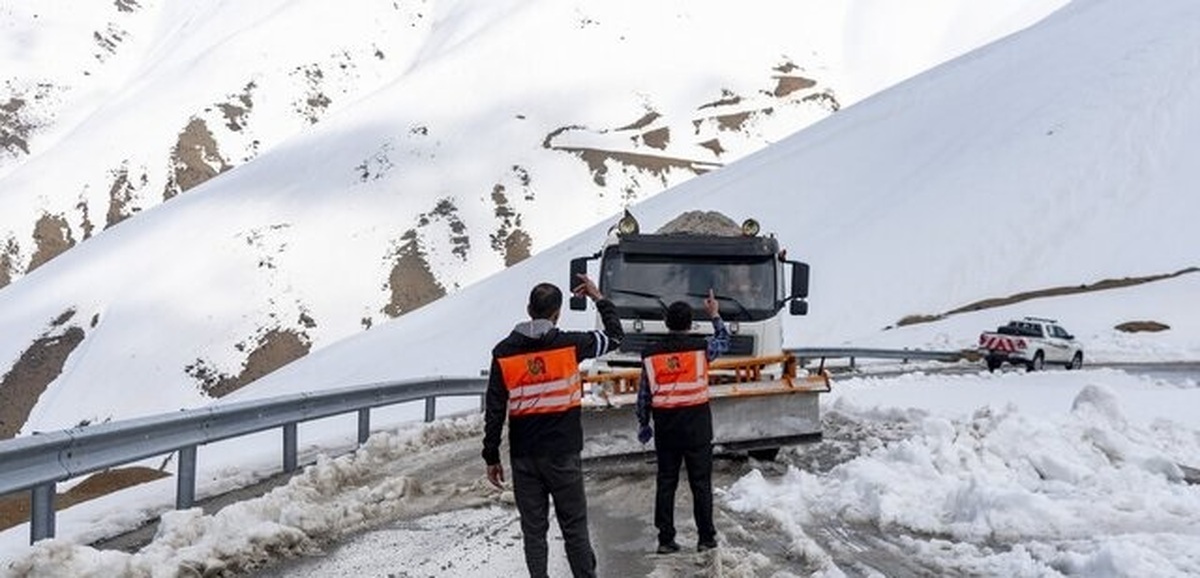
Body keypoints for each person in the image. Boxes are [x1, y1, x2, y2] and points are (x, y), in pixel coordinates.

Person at [482, 274, 623, 578]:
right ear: (557, 314)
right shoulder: (572, 344)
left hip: (524, 456)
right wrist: (598, 297)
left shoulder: (503, 352)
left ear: (528, 309)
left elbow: (494, 408)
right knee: (574, 528)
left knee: (534, 532)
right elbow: (615, 336)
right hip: (563, 453)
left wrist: (491, 455)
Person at [635, 290, 730, 554]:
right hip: (697, 428)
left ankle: (666, 540)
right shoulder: (702, 348)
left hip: (666, 428)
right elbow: (724, 340)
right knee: (701, 484)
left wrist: (644, 423)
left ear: (666, 323)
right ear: (690, 324)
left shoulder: (650, 354)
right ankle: (706, 538)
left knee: (666, 483)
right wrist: (715, 315)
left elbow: (644, 395)